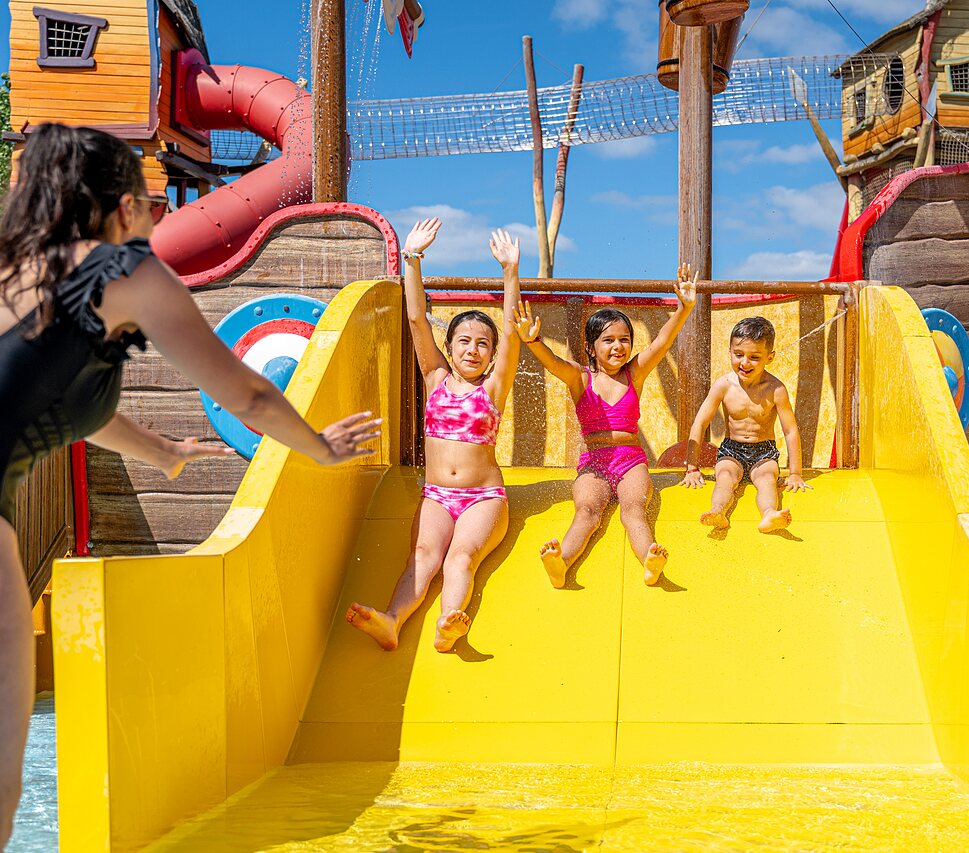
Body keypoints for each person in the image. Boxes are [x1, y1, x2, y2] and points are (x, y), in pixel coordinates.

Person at [0, 124, 380, 844]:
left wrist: (162, 451)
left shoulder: (16, 273)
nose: (154, 218)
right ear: (121, 208)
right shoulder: (121, 269)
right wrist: (321, 446)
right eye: (150, 204)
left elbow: (54, 402)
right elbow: (251, 395)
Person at [346, 219, 522, 653]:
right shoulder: (435, 377)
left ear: (491, 354)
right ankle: (392, 621)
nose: (472, 350)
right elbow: (414, 317)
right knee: (422, 557)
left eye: (482, 344)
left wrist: (510, 272)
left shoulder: (493, 388)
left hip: (483, 499)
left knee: (461, 558)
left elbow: (512, 331)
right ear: (450, 345)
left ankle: (449, 622)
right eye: (464, 341)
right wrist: (412, 258)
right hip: (437, 496)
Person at [513, 265, 698, 588]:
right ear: (591, 347)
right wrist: (533, 341)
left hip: (631, 461)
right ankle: (561, 564)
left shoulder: (634, 373)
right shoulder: (580, 377)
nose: (618, 346)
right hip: (593, 464)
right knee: (587, 510)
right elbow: (553, 363)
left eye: (624, 340)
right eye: (608, 340)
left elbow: (661, 344)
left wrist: (684, 308)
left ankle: (649, 561)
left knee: (633, 509)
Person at [679, 316, 810, 531]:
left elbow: (790, 431)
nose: (745, 363)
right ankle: (718, 511)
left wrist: (796, 473)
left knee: (767, 479)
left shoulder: (776, 389)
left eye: (754, 357)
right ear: (730, 352)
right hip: (732, 450)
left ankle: (769, 514)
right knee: (725, 476)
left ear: (770, 357)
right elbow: (700, 423)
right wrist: (692, 468)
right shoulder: (723, 385)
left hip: (764, 452)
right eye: (738, 354)